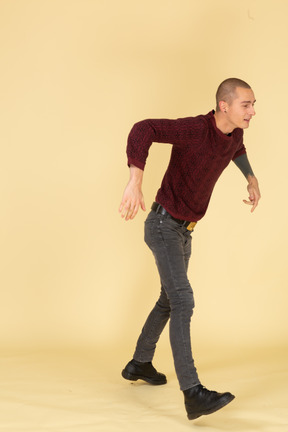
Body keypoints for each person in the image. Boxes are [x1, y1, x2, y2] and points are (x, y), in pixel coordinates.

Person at [118, 78, 261, 420]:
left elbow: (236, 149)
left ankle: (140, 363)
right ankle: (192, 393)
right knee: (183, 300)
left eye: (254, 105)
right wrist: (135, 179)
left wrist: (251, 178)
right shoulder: (195, 130)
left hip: (184, 231)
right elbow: (144, 128)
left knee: (169, 299)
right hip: (163, 225)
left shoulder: (235, 133)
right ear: (224, 106)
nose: (253, 112)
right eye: (247, 105)